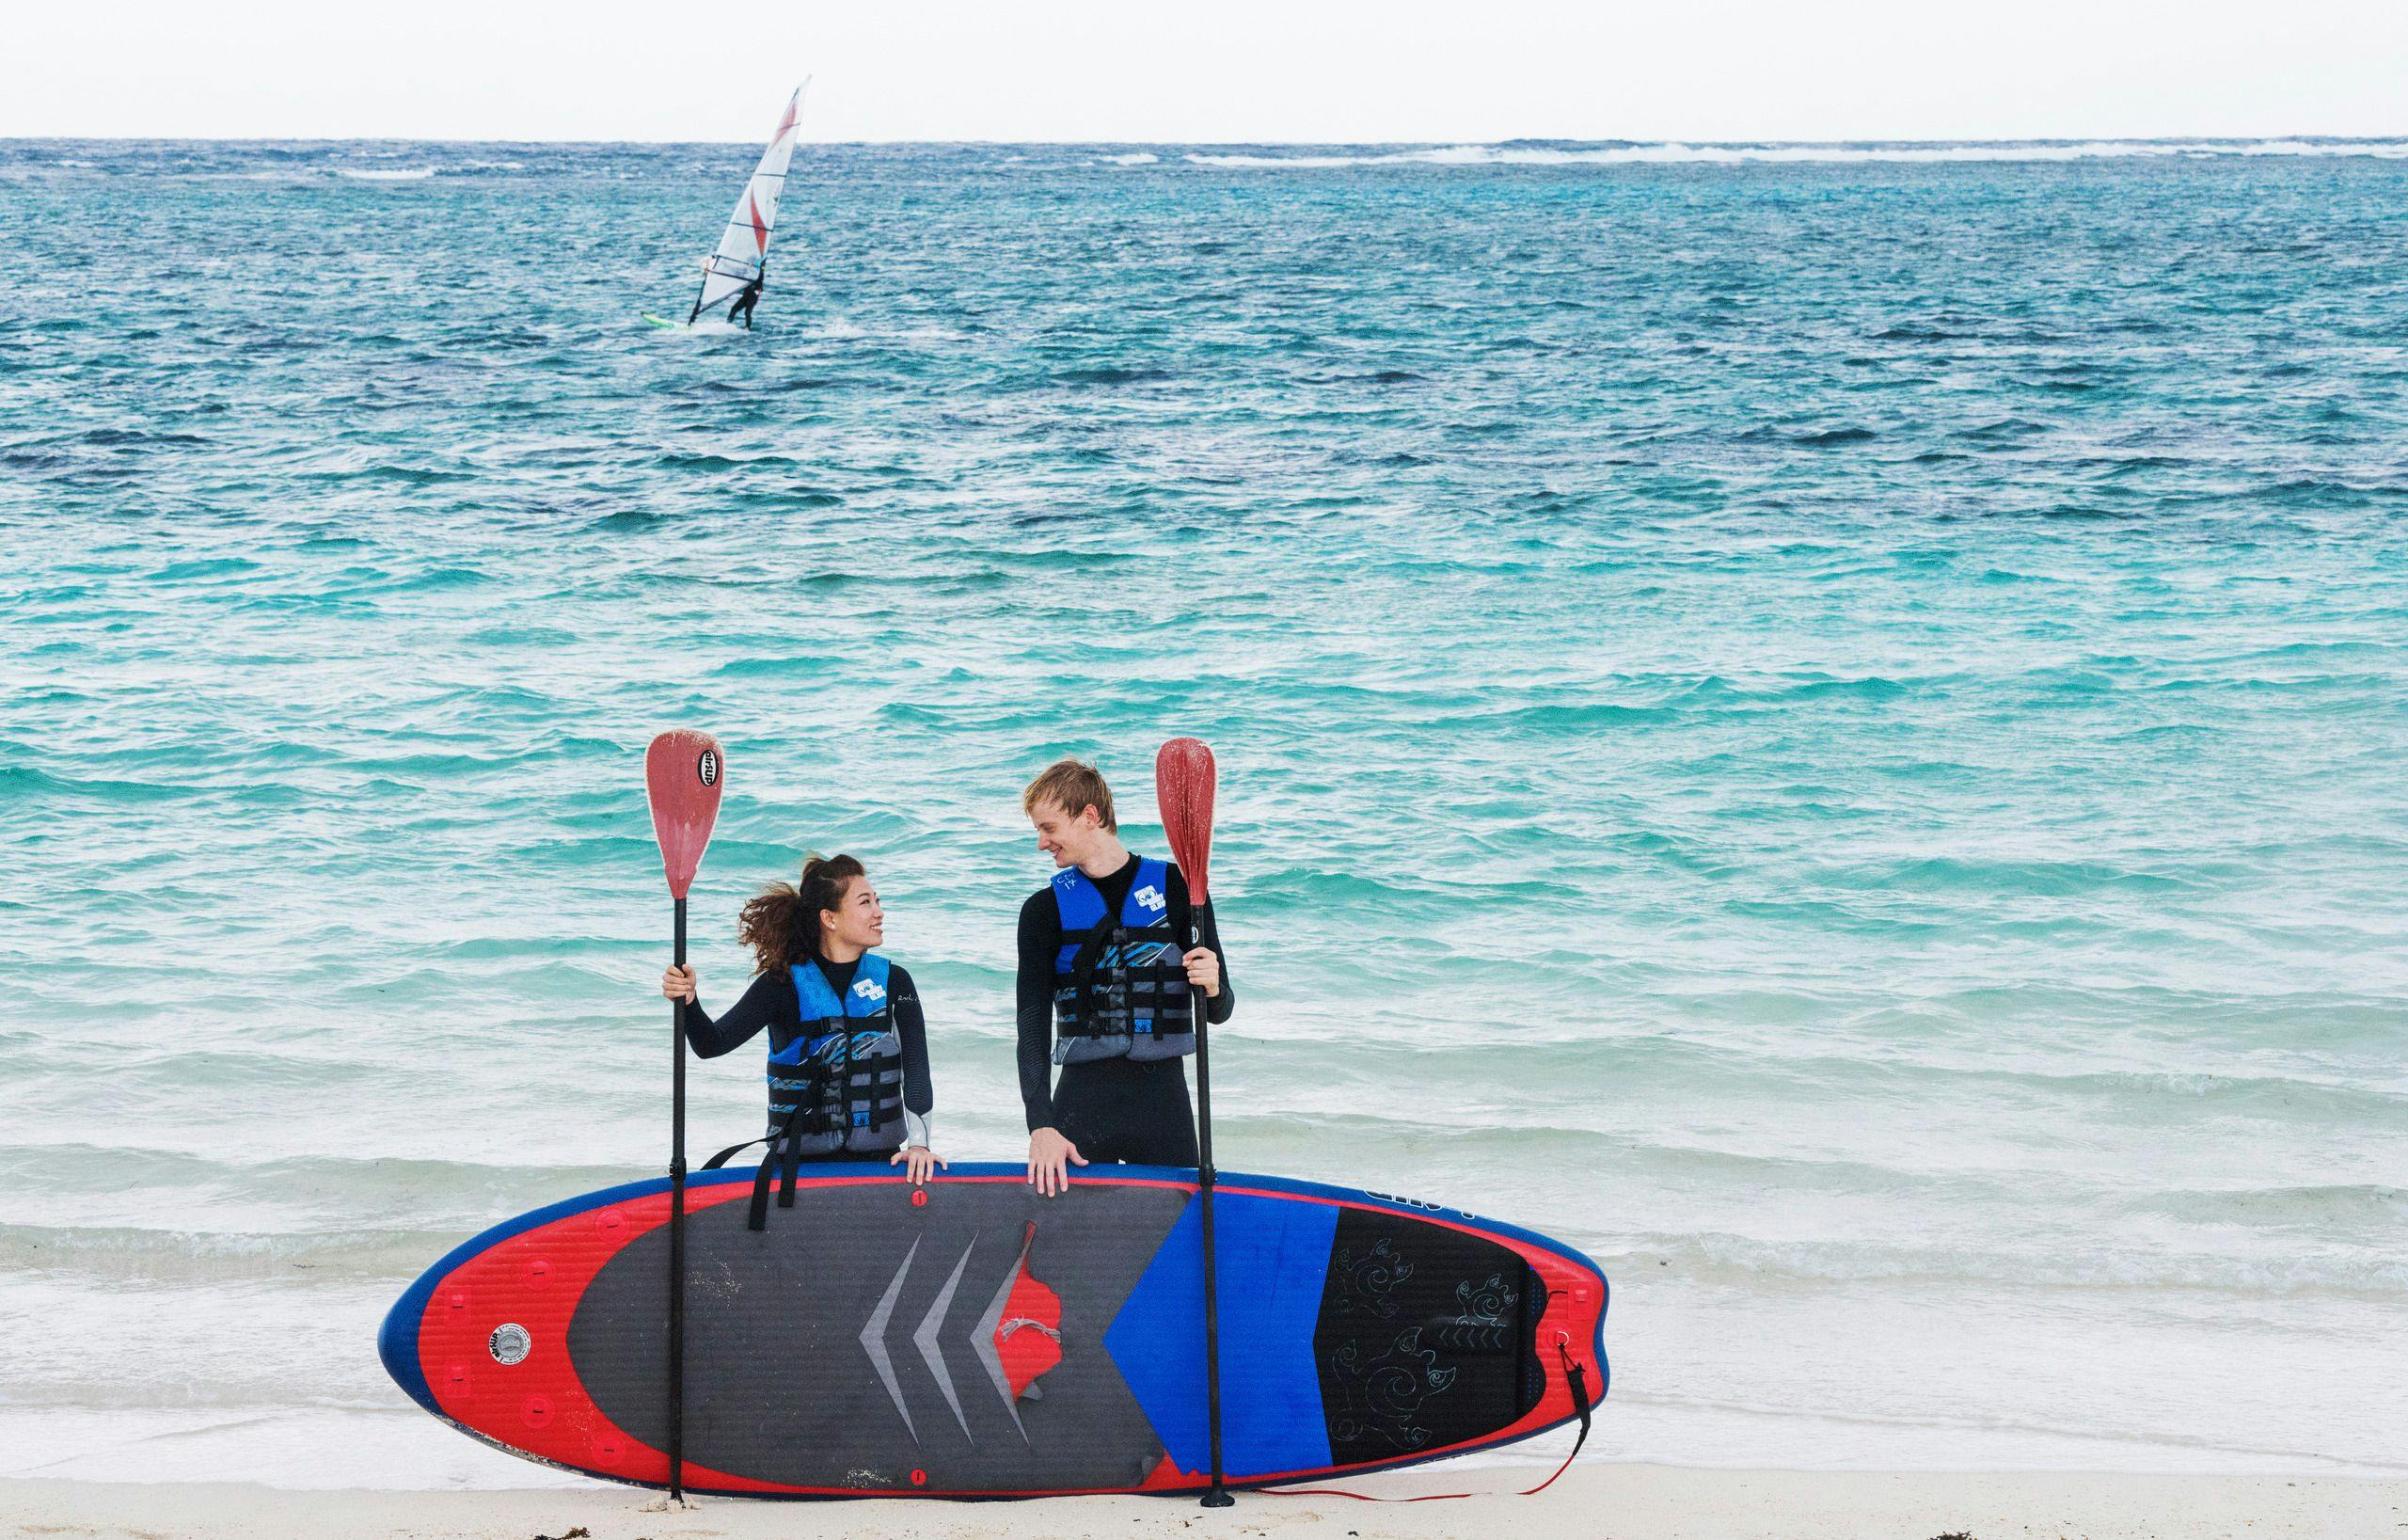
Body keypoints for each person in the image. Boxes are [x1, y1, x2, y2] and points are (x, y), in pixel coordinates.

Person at [1017, 758, 1233, 1196]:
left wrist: (1212, 984)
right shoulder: (1042, 910)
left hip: (1162, 1101)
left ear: (1089, 817)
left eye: (1049, 828)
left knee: (1178, 1230)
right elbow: (1031, 1027)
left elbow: (1220, 1010)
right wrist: (1040, 1125)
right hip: (1082, 1101)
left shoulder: (1179, 887)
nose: (1042, 843)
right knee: (1067, 1236)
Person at [661, 853, 942, 1184]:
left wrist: (920, 1146)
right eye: (865, 902)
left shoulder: (895, 981)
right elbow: (711, 1044)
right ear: (830, 918)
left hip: (880, 1164)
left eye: (877, 901)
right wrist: (690, 1001)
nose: (879, 912)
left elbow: (917, 1069)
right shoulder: (781, 984)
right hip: (799, 1169)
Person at [727, 265, 765, 329]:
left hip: (753, 297)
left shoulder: (759, 275)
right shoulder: (747, 273)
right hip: (745, 296)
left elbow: (762, 269)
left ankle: (747, 328)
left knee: (747, 313)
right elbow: (737, 272)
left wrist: (761, 266)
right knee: (733, 309)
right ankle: (728, 324)